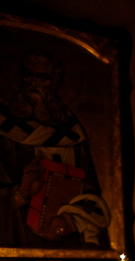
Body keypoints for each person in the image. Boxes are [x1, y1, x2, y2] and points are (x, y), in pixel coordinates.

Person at [0, 51, 109, 248]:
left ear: (54, 82)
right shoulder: (4, 127)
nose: (33, 83)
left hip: (66, 232)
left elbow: (91, 188)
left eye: (42, 77)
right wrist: (22, 192)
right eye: (28, 74)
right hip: (16, 233)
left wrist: (72, 219)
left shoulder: (71, 130)